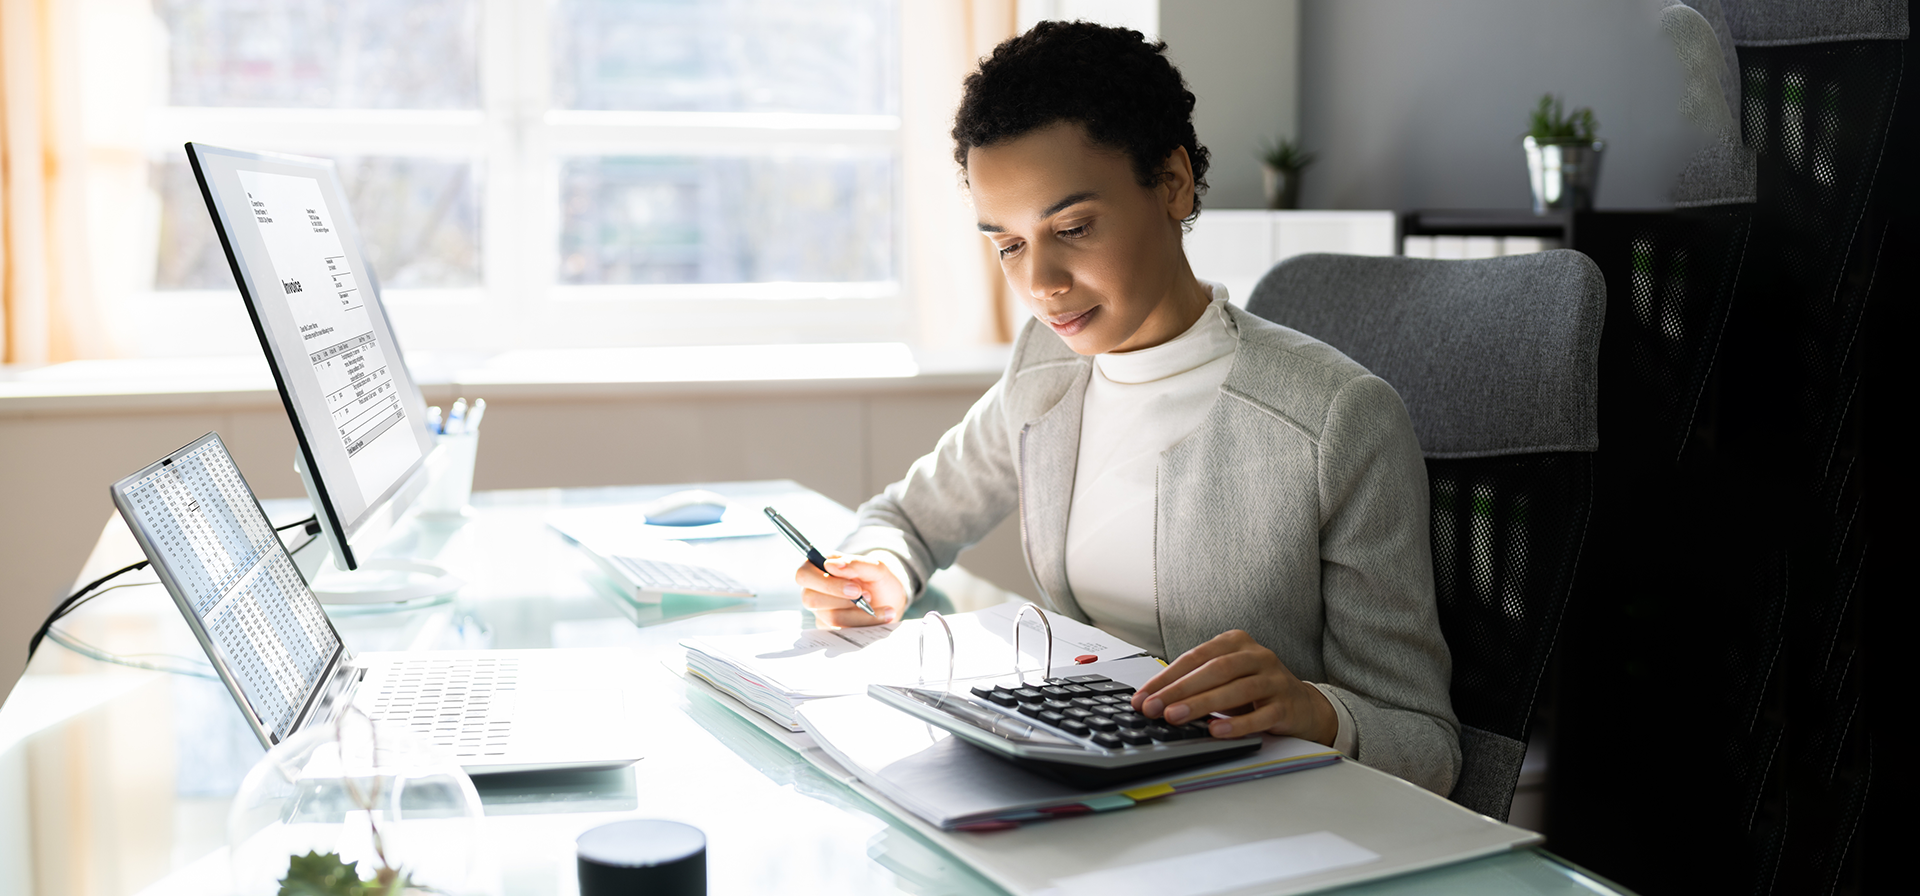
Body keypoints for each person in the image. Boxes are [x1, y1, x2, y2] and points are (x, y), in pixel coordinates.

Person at [793, 21, 1460, 795]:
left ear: (1172, 184)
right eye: (1007, 244)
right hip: (1080, 791)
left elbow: (1429, 746)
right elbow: (907, 519)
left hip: (1258, 822)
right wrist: (877, 569)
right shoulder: (1046, 371)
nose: (1039, 282)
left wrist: (1314, 711)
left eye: (1072, 228)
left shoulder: (1337, 420)